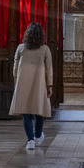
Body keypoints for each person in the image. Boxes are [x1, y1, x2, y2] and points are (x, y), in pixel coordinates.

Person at [10, 23, 53, 151]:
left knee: (26, 113)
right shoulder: (45, 49)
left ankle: (30, 141)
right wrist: (50, 85)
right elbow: (49, 68)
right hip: (39, 84)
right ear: (41, 35)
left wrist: (17, 81)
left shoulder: (21, 48)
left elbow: (15, 67)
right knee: (39, 110)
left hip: (23, 83)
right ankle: (38, 135)